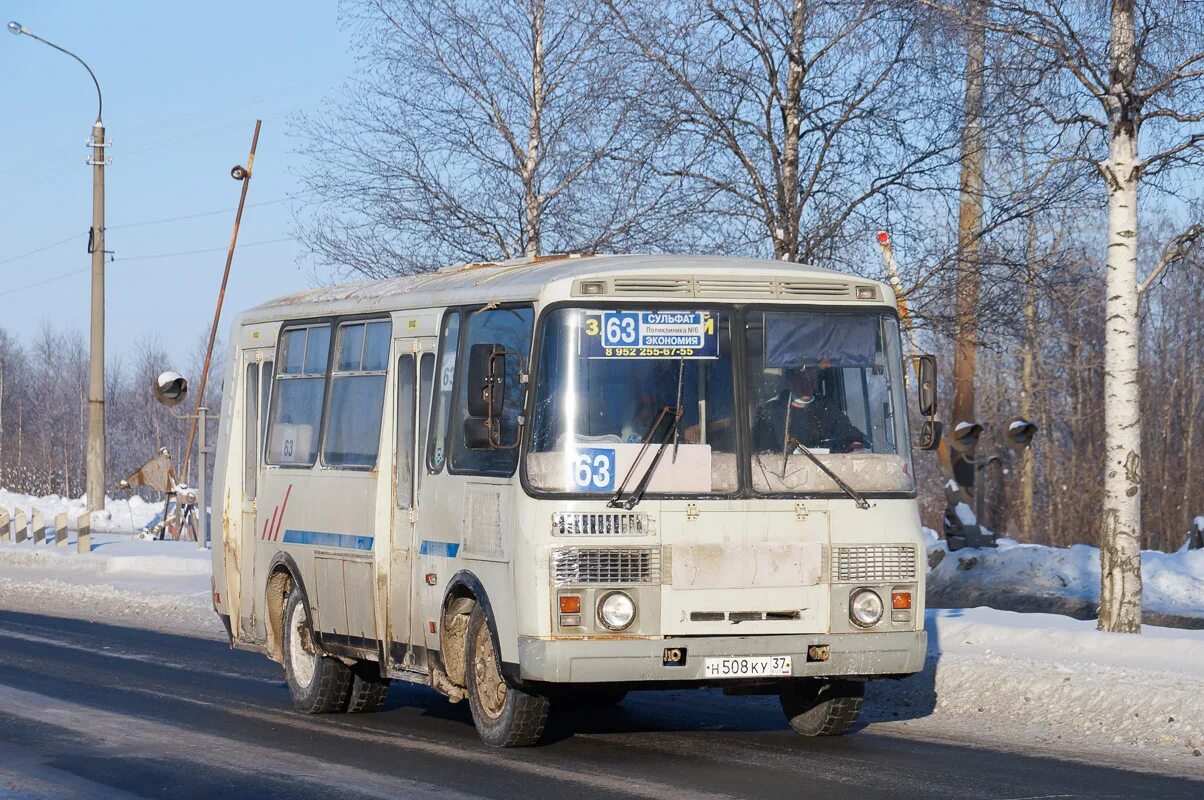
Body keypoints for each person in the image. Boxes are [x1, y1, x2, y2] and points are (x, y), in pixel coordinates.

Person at [753, 365, 866, 453]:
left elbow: (857, 441)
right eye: (801, 376)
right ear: (789, 380)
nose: (807, 380)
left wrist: (845, 446)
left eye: (811, 374)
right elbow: (762, 456)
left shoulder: (828, 410)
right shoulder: (769, 412)